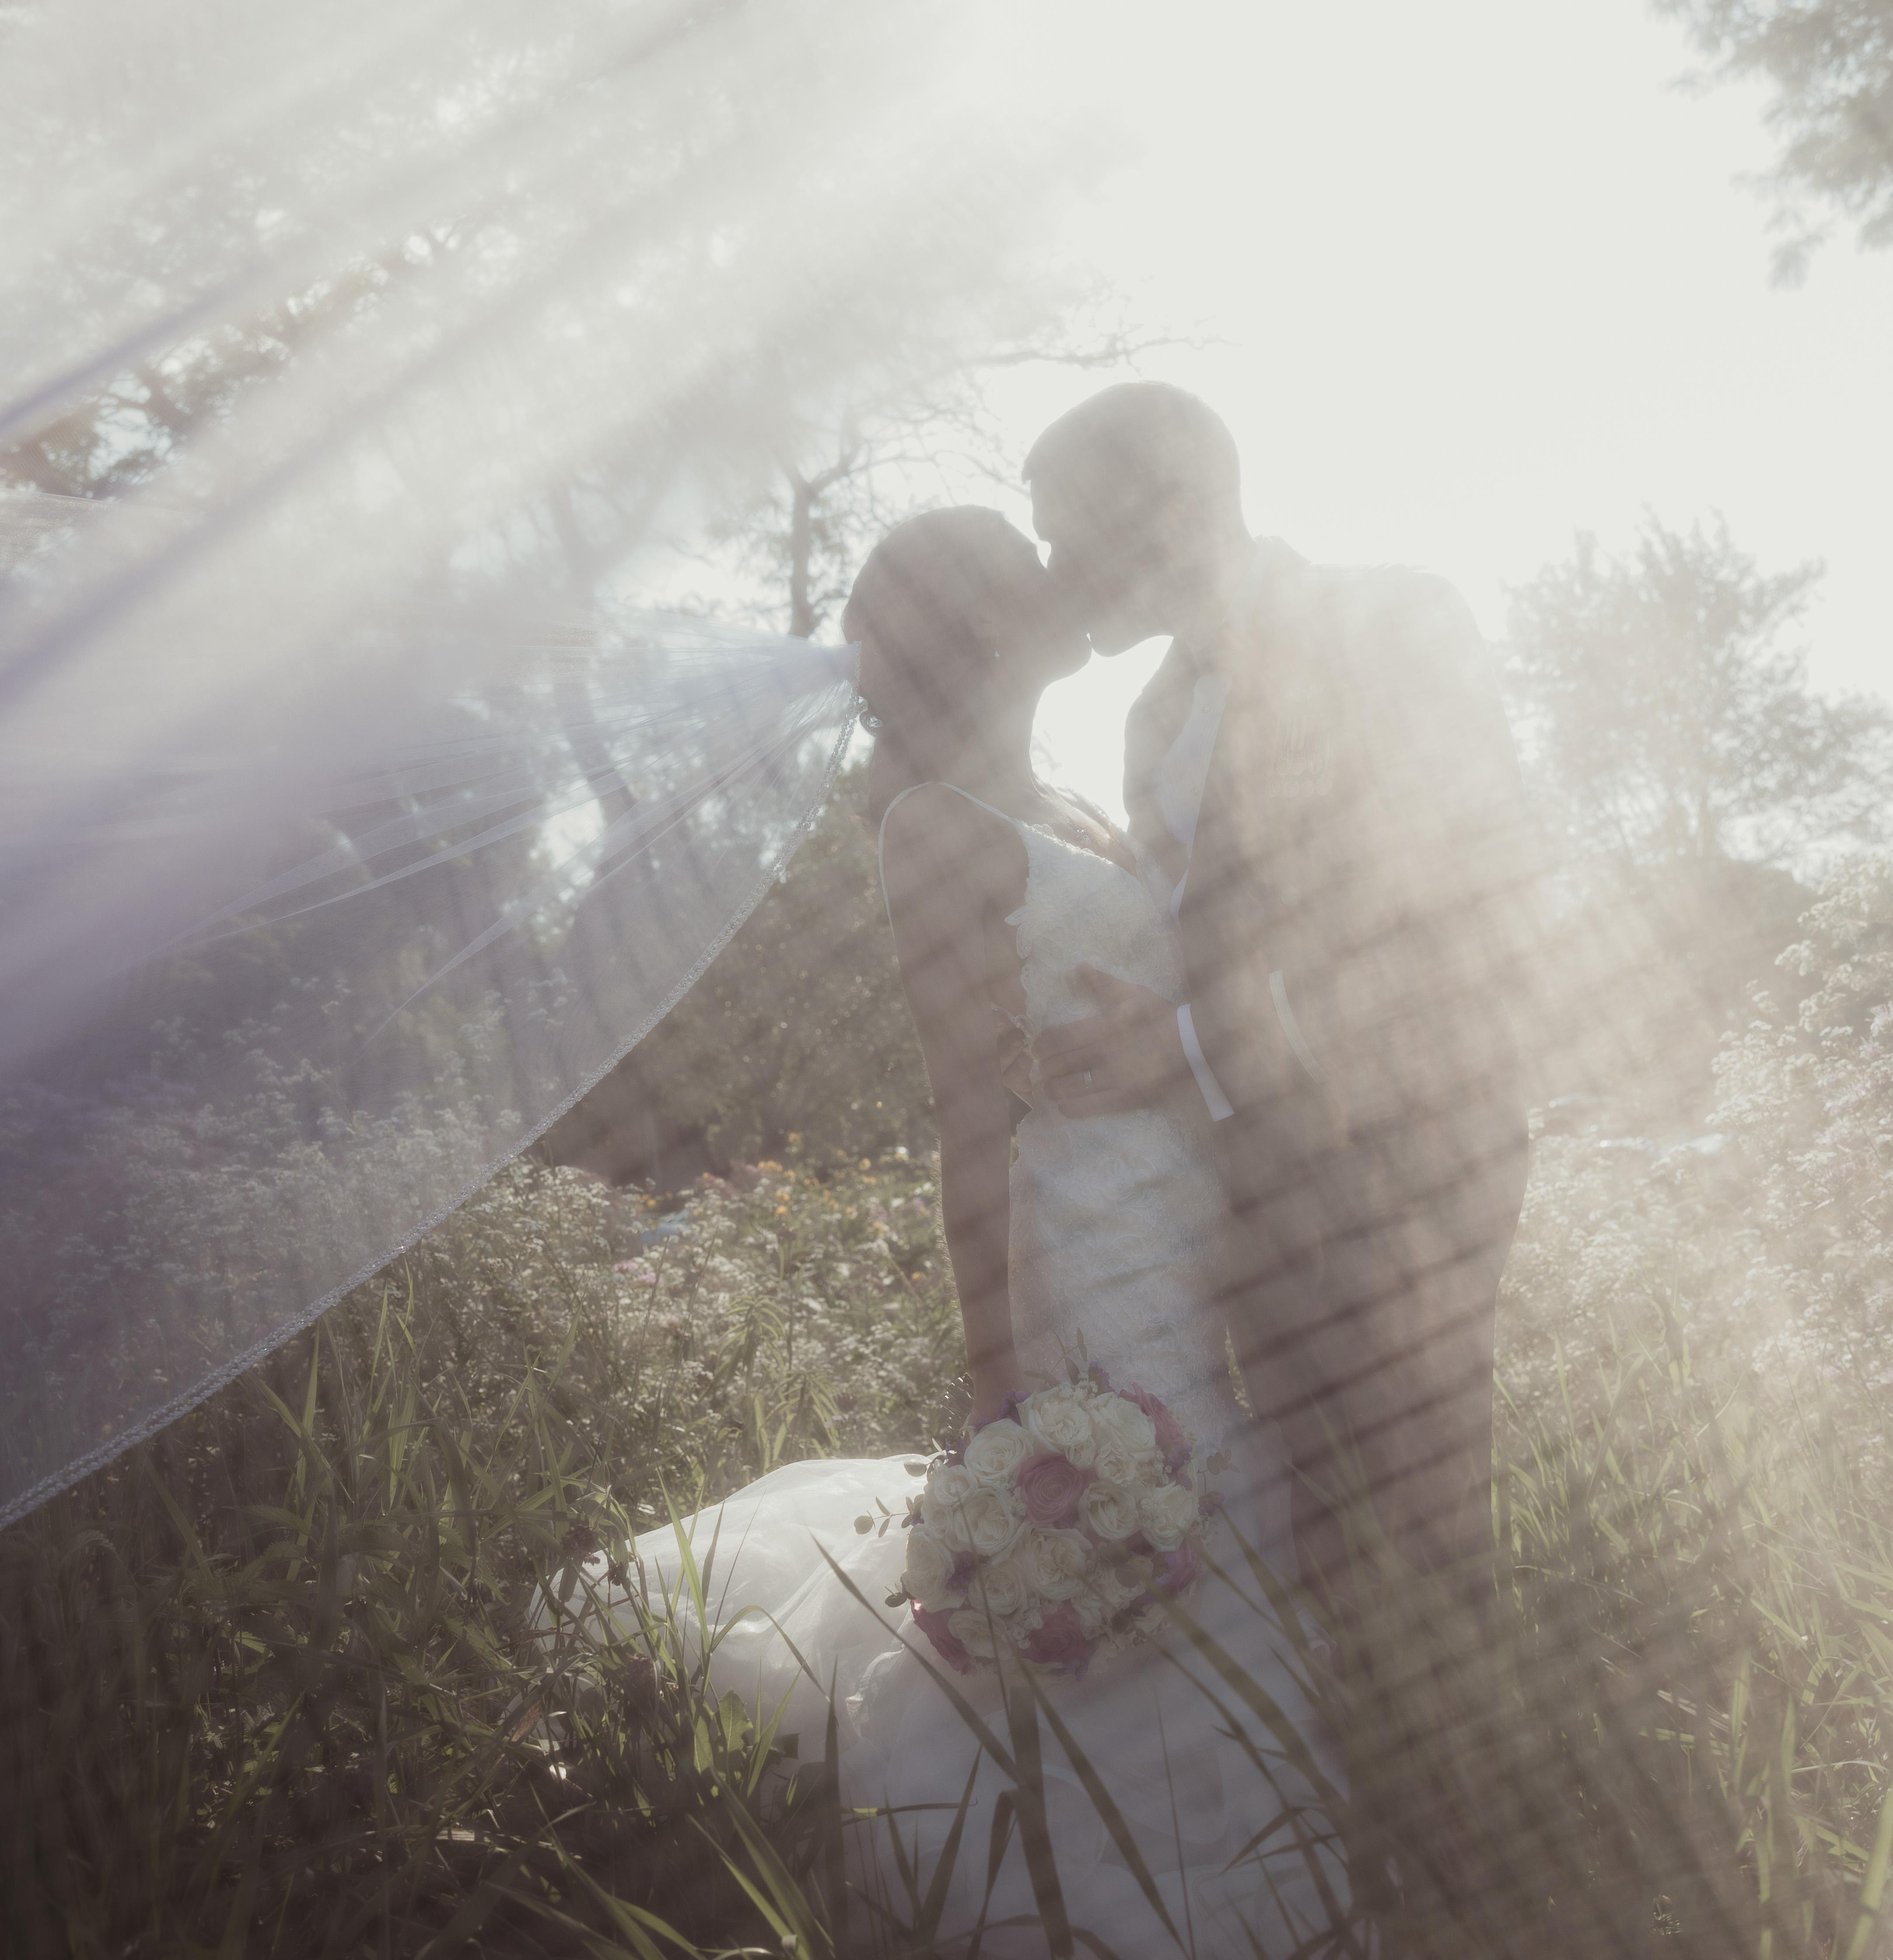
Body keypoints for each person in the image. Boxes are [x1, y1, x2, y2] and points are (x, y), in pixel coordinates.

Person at [556, 507, 1334, 1956]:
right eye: (1032, 567)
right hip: (1088, 1235)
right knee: (1126, 1491)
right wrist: (999, 1395)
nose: (1067, 576)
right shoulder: (933, 826)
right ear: (983, 623)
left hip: (1187, 1214)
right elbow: (969, 1125)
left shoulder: (1083, 801)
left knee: (1209, 1491)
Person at [1021, 383, 1537, 1624]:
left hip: (1406, 1150)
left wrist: (1188, 1043)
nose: (1054, 572)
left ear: (1167, 506)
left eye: (1065, 534)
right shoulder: (1150, 718)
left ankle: (1471, 1746)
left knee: (1422, 1546)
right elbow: (1195, 936)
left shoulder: (1394, 622)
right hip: (1245, 1186)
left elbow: (1457, 911)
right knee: (1313, 1547)